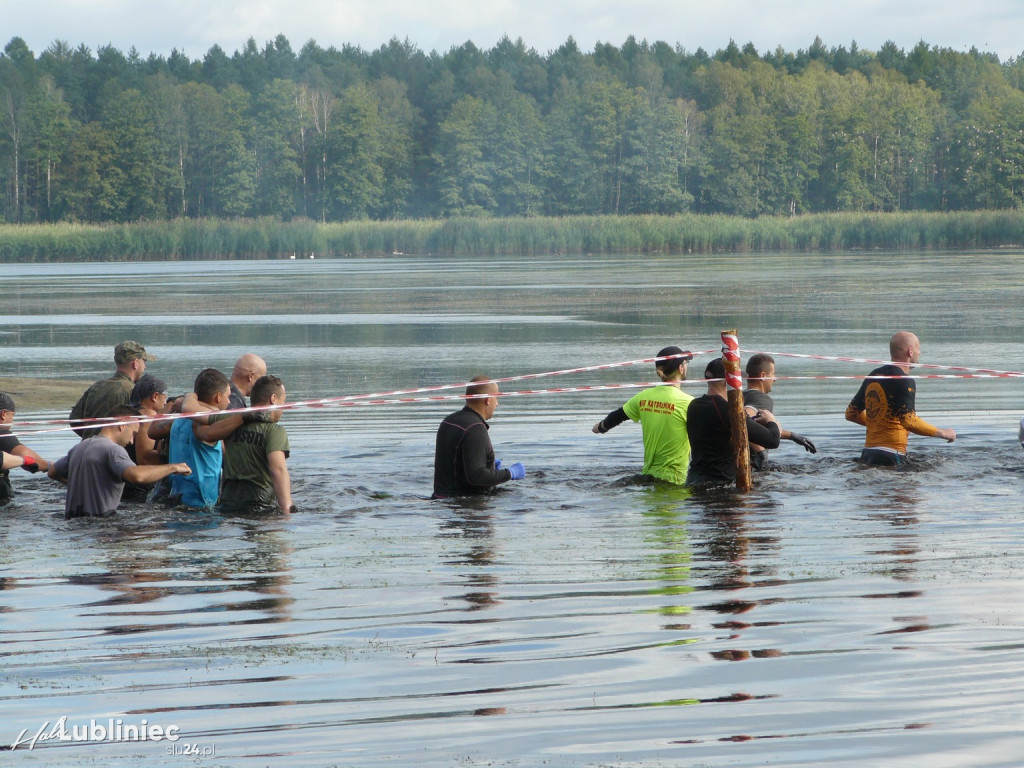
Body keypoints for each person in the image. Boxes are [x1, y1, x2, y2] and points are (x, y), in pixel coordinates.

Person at [48, 405, 191, 519]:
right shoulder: (113, 450)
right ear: (122, 425)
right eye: (133, 434)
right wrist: (173, 467)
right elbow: (137, 476)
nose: (131, 441)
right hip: (101, 526)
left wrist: (78, 483)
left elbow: (52, 471)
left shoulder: (80, 447)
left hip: (73, 523)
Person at [845, 331, 956, 466]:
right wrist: (943, 433)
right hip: (891, 455)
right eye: (918, 348)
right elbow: (909, 421)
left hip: (868, 454)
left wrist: (879, 425)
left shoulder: (873, 375)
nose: (919, 353)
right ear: (910, 351)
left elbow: (851, 414)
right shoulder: (904, 380)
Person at [592, 346, 695, 484]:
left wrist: (601, 427)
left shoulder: (643, 397)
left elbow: (618, 416)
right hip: (675, 481)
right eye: (686, 363)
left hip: (647, 476)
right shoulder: (689, 403)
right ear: (681, 369)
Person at [686, 357, 782, 487]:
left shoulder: (693, 405)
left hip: (694, 480)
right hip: (721, 485)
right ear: (728, 383)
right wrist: (771, 421)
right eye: (737, 381)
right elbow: (773, 440)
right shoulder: (728, 410)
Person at [209, 375, 295, 514]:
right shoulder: (274, 431)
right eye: (283, 401)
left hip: (228, 502)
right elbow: (278, 470)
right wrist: (287, 508)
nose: (283, 408)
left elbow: (199, 418)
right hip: (259, 504)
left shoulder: (229, 423)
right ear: (273, 399)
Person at [432, 375, 525, 499]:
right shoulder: (475, 428)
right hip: (466, 505)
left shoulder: (449, 420)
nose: (497, 404)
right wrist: (510, 473)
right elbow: (477, 476)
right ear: (487, 400)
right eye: (496, 398)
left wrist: (490, 468)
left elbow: (454, 463)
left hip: (441, 498)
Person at [162, 368, 235, 509]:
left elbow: (152, 431)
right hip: (202, 502)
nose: (229, 402)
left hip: (176, 497)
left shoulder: (178, 420)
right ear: (218, 397)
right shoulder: (210, 422)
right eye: (228, 396)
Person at [743, 353, 816, 469]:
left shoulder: (742, 395)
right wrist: (761, 454)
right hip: (752, 465)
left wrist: (793, 436)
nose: (775, 379)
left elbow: (758, 427)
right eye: (773, 374)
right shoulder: (762, 399)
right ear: (763, 375)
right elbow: (744, 420)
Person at [69, 341, 156, 438]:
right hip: (114, 449)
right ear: (135, 363)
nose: (145, 366)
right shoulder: (132, 390)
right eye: (144, 361)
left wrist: (90, 435)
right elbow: (139, 426)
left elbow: (74, 420)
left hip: (88, 447)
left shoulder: (97, 386)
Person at [0, 393, 47, 502]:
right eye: (12, 415)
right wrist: (49, 466)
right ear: (3, 414)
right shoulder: (3, 435)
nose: (12, 420)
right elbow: (30, 460)